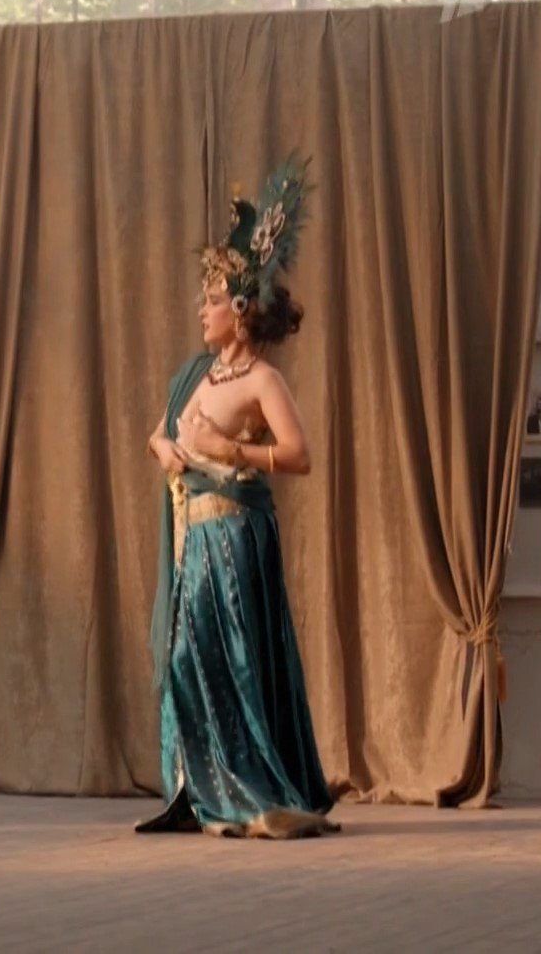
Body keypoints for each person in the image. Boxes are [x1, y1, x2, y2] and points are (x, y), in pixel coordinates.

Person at [136, 160, 336, 840]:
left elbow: (299, 456)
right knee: (186, 663)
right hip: (193, 536)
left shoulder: (262, 381)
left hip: (235, 540)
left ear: (242, 310)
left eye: (214, 299)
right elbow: (159, 434)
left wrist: (230, 450)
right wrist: (170, 453)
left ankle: (246, 789)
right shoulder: (197, 373)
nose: (203, 309)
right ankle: (200, 791)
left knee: (236, 668)